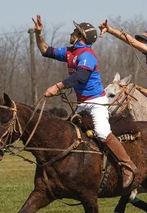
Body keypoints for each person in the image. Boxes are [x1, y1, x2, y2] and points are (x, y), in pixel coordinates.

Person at [32, 15, 137, 189]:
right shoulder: (70, 52)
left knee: (102, 133)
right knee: (68, 132)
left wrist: (57, 87)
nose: (72, 33)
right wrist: (38, 34)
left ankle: (128, 166)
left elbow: (81, 76)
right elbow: (45, 51)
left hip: (96, 102)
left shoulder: (87, 55)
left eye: (75, 31)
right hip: (82, 104)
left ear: (81, 36)